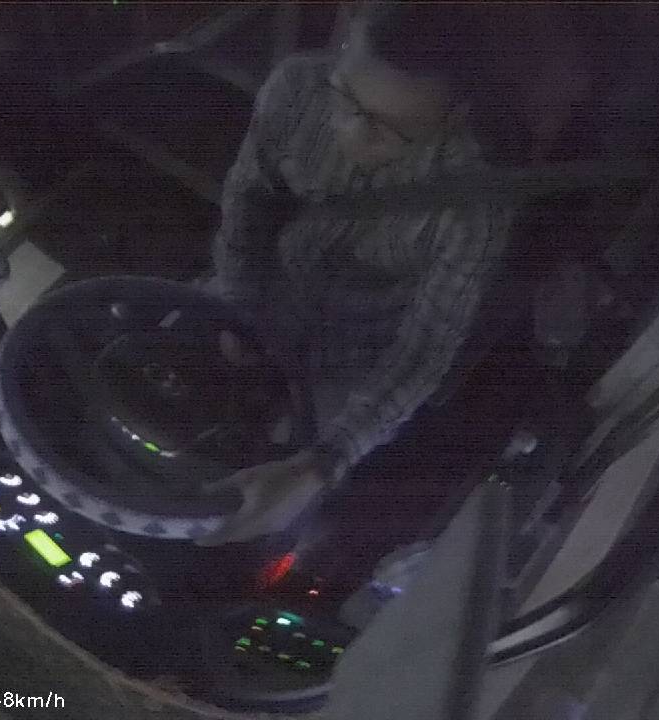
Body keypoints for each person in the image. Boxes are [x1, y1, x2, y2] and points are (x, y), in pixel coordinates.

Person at [196, 3, 594, 547]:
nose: (350, 133)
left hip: (356, 356)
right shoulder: (295, 87)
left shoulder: (472, 205)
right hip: (268, 290)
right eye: (346, 99)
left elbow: (424, 349)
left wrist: (322, 463)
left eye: (385, 129)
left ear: (451, 117)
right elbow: (247, 208)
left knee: (282, 513)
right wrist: (238, 306)